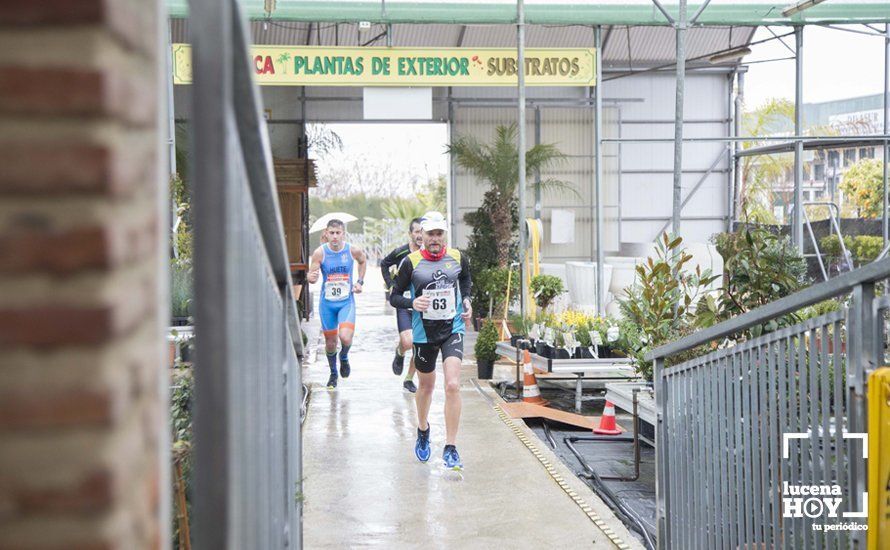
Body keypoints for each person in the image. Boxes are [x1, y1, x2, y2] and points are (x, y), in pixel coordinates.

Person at [389, 211, 472, 470]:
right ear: (421, 235)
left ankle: (450, 446)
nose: (435, 238)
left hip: (452, 328)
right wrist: (412, 302)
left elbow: (466, 281)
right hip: (424, 333)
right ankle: (423, 429)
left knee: (453, 385)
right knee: (426, 386)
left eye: (439, 233)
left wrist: (467, 300)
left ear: (444, 234)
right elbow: (394, 296)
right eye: (430, 234)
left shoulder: (458, 258)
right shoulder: (411, 262)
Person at [307, 219, 367, 389]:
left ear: (343, 234)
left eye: (338, 233)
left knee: (345, 337)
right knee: (331, 342)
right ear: (326, 233)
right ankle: (333, 373)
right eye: (331, 233)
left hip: (346, 302)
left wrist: (359, 282)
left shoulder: (351, 250)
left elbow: (363, 261)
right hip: (327, 305)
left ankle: (344, 357)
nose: (334, 237)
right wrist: (310, 277)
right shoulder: (320, 253)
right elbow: (311, 276)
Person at [380, 218, 423, 393]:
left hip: (423, 305)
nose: (420, 235)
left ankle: (408, 379)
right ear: (410, 234)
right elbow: (384, 263)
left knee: (419, 345)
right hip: (404, 302)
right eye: (417, 232)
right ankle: (400, 352)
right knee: (407, 341)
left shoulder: (430, 254)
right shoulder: (401, 252)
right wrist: (390, 284)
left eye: (423, 231)